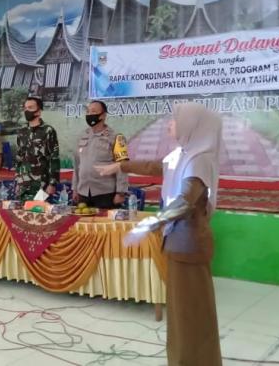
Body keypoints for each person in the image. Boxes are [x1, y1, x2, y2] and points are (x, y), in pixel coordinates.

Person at [96, 102, 223, 366]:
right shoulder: (184, 153)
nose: (169, 125)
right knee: (181, 314)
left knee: (191, 314)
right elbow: (155, 166)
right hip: (178, 243)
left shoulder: (199, 157)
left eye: (174, 121)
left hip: (189, 246)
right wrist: (119, 167)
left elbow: (185, 201)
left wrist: (149, 224)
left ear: (191, 125)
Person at [72, 100, 128, 209]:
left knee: (104, 225)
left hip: (105, 193)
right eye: (88, 112)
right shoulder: (82, 136)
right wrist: (75, 189)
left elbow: (123, 166)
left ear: (103, 115)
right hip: (83, 192)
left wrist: (120, 192)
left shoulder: (116, 137)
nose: (89, 114)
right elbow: (77, 165)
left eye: (93, 111)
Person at [15, 97, 60, 201]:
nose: (27, 111)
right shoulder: (22, 131)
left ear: (38, 111)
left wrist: (52, 183)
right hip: (24, 184)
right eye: (25, 108)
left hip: (41, 184)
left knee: (40, 215)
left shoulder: (48, 130)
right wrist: (18, 180)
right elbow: (19, 157)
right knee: (22, 215)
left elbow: (54, 157)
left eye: (30, 108)